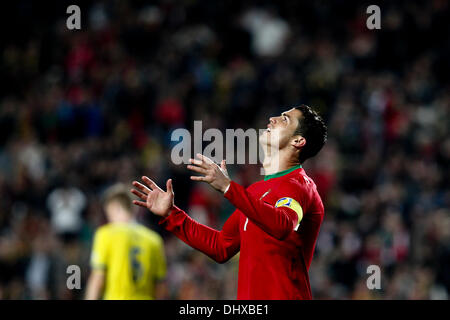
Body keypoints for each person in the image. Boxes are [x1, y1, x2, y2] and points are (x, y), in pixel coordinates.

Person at [131, 105, 327, 299]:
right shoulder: (255, 191)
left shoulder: (300, 185)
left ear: (298, 140)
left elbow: (282, 225)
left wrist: (228, 187)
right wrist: (171, 214)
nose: (273, 119)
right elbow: (221, 246)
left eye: (285, 119)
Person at [85, 183, 167, 300]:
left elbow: (98, 278)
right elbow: (160, 287)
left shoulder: (105, 234)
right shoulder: (154, 240)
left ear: (115, 208)